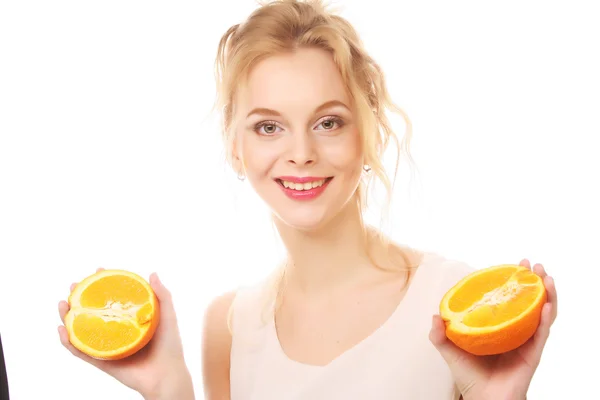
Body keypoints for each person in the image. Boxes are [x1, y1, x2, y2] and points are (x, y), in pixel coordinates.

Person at [57, 1, 558, 399]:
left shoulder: (452, 306)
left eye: (328, 122)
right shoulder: (229, 326)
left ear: (369, 133)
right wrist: (169, 391)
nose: (300, 153)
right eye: (269, 127)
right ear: (236, 147)